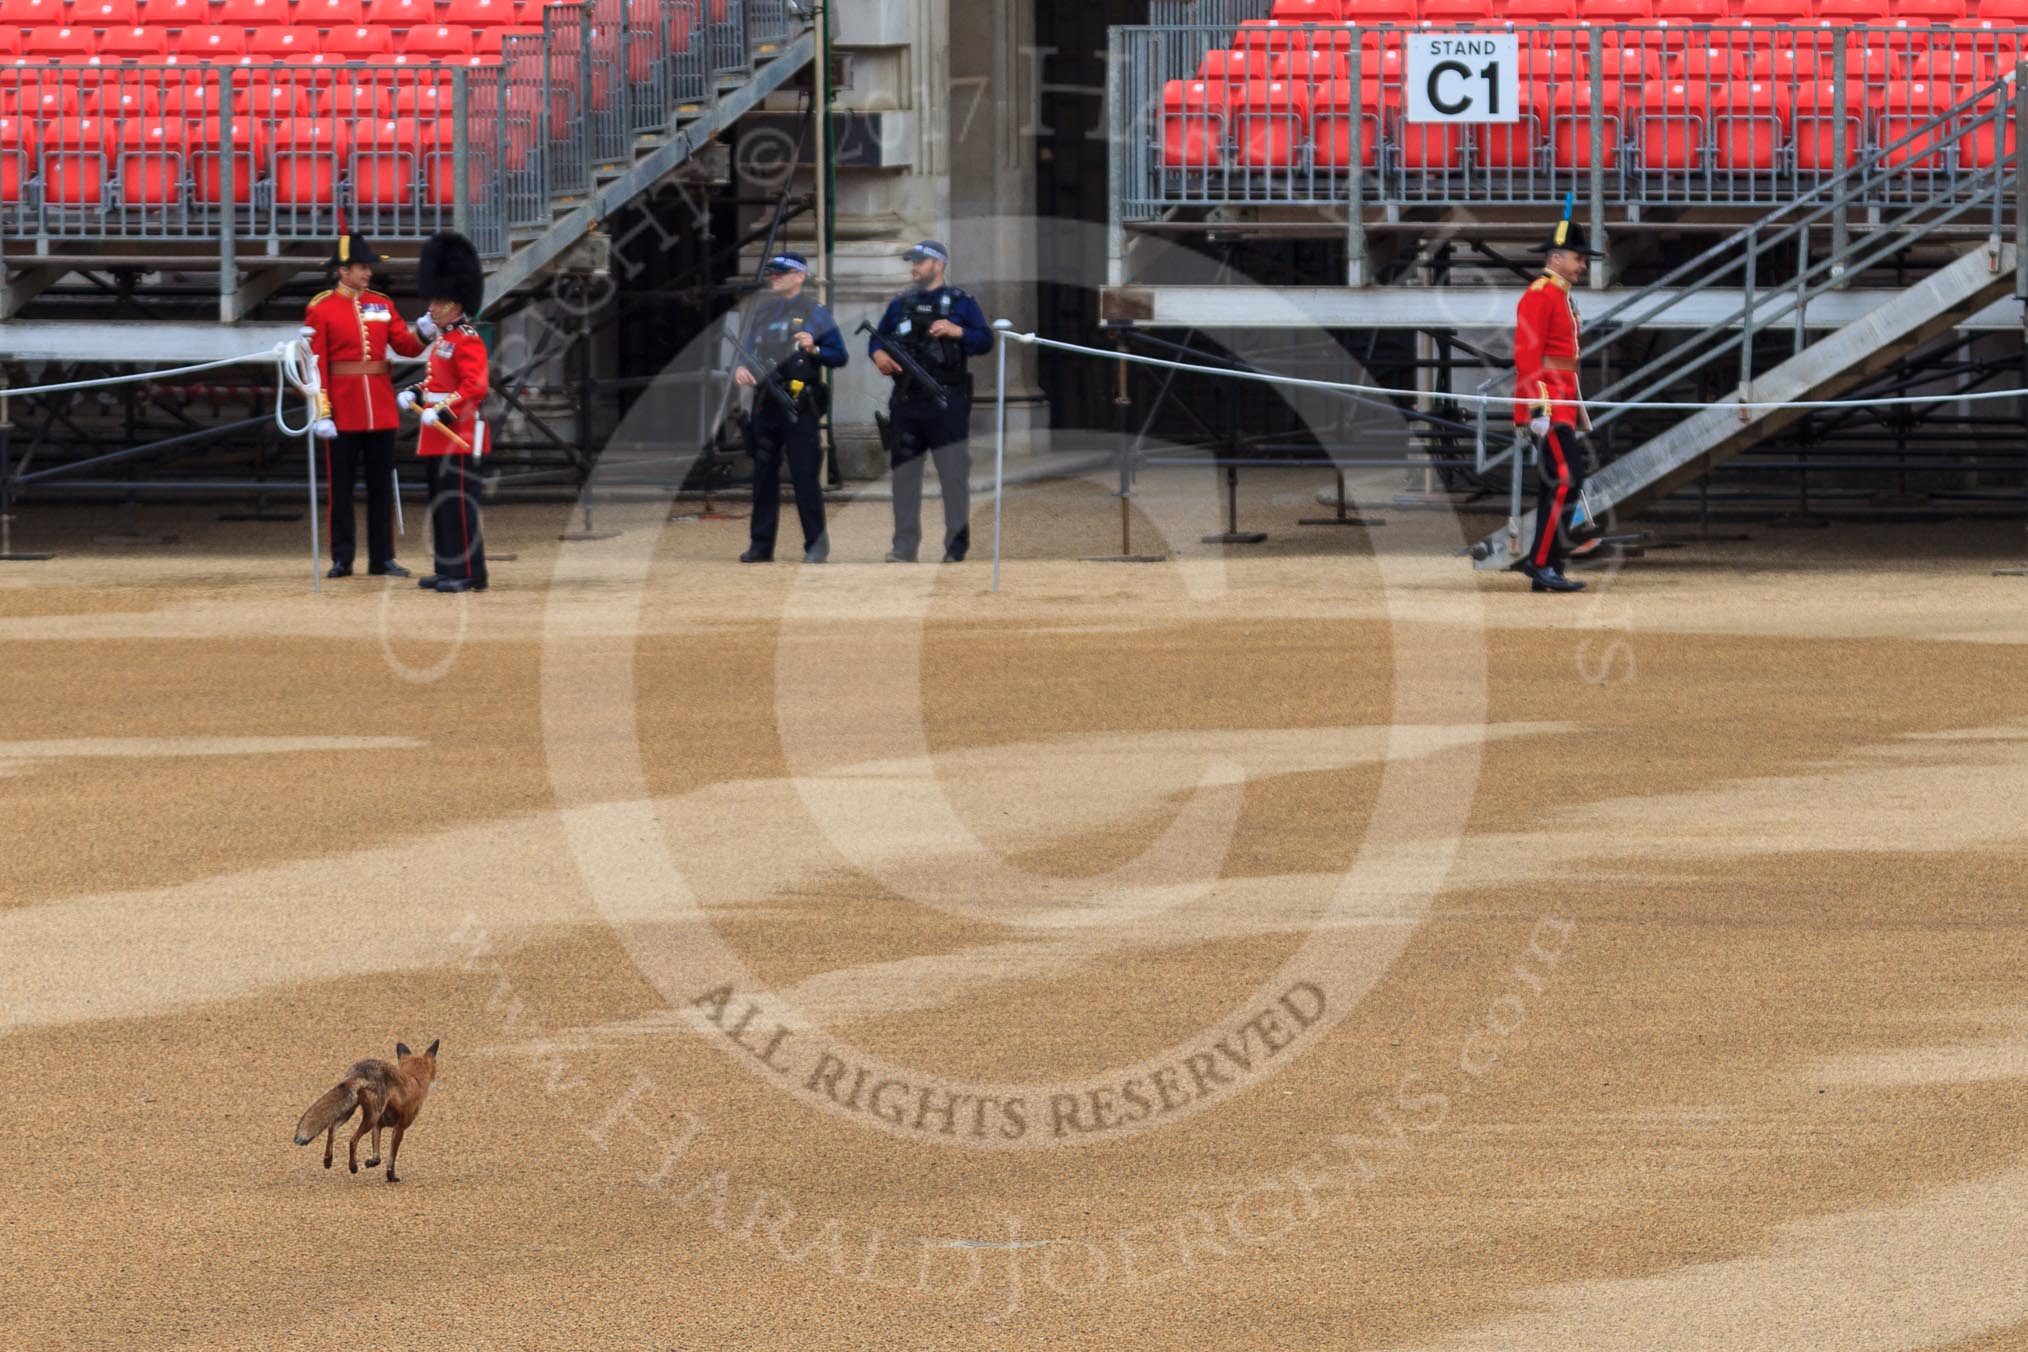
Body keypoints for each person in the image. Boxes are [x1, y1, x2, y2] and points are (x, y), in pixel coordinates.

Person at [302, 233, 428, 579]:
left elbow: (405, 346)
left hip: (380, 409)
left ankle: (382, 558)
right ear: (343, 271)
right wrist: (322, 410)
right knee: (341, 490)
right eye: (361, 267)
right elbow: (316, 366)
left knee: (380, 490)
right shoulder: (322, 308)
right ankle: (342, 558)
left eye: (368, 267)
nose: (368, 273)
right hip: (342, 411)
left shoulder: (383, 305)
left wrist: (426, 331)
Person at [867, 240, 993, 563]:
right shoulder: (900, 304)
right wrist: (878, 354)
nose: (914, 267)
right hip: (907, 401)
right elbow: (877, 338)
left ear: (939, 265)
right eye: (913, 262)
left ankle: (956, 546)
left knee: (952, 475)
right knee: (904, 476)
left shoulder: (962, 304)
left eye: (920, 262)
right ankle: (904, 546)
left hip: (946, 400)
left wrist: (957, 331)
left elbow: (985, 340)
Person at [1511, 207, 1604, 594]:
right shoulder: (1541, 294)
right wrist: (1538, 407)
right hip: (1549, 403)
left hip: (1562, 400)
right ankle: (1542, 562)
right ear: (1556, 258)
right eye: (1578, 257)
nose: (1582, 264)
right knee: (1566, 480)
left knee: (1559, 483)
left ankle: (1547, 563)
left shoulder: (1560, 296)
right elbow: (1528, 355)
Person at [735, 252, 847, 564]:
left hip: (800, 404)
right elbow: (745, 352)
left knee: (804, 476)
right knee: (762, 476)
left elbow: (839, 355)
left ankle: (816, 545)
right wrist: (742, 368)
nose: (774, 277)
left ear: (799, 276)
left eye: (781, 273)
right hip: (766, 405)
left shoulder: (816, 313)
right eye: (772, 273)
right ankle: (760, 545)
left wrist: (815, 347)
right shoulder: (763, 313)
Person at [397, 232, 490, 594]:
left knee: (459, 507)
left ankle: (469, 572)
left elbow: (474, 387)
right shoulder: (444, 340)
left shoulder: (467, 338)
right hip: (438, 435)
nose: (431, 308)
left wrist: (442, 411)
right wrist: (414, 392)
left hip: (460, 435)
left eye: (438, 302)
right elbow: (437, 380)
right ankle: (447, 566)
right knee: (441, 504)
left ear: (455, 304)